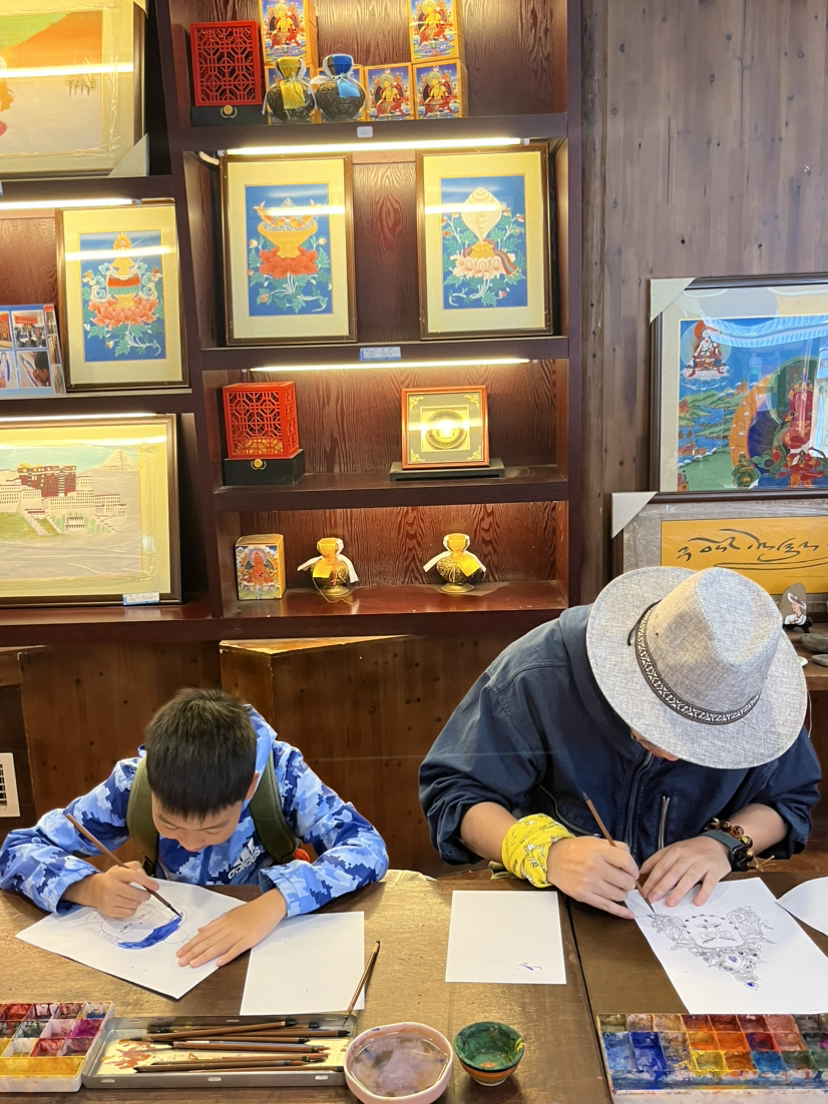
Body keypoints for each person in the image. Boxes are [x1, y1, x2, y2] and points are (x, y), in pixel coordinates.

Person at [420, 567, 820, 919]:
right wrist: (545, 852)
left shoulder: (756, 691)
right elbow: (456, 795)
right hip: (549, 903)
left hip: (691, 909)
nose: (673, 754)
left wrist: (724, 843)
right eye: (660, 726)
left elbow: (788, 799)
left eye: (706, 739)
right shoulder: (540, 672)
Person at [0, 688, 388, 967]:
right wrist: (89, 887)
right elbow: (17, 850)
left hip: (269, 947)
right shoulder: (132, 784)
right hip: (165, 954)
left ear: (248, 788)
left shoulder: (281, 775)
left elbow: (366, 846)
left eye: (213, 829)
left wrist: (277, 902)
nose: (190, 844)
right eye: (168, 824)